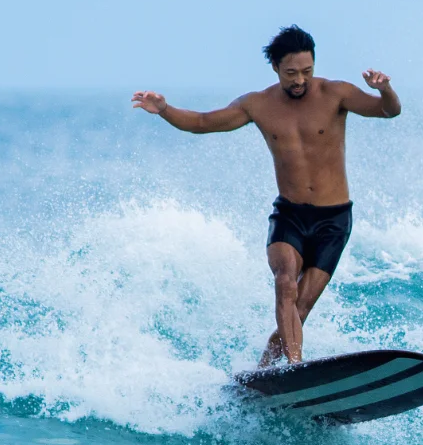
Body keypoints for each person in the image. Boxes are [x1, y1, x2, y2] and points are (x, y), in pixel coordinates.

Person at [131, 25, 400, 367]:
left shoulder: (337, 94)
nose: (299, 79)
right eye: (291, 73)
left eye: (306, 71)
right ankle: (295, 366)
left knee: (299, 308)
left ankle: (266, 372)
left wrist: (386, 89)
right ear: (275, 67)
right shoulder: (257, 105)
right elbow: (202, 122)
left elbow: (389, 111)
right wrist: (166, 110)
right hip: (289, 215)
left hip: (334, 220)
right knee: (285, 282)